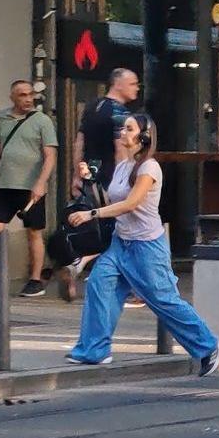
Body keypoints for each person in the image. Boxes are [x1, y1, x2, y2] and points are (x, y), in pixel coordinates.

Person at [65, 114, 219, 372]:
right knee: (99, 284)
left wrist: (90, 214)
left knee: (163, 300)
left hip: (146, 246)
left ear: (144, 137)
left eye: (129, 129)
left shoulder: (149, 168)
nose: (122, 133)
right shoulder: (123, 166)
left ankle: (208, 345)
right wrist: (90, 180)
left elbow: (131, 203)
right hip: (121, 242)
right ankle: (94, 350)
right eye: (122, 128)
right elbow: (112, 199)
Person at [0, 80, 58, 298]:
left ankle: (35, 279)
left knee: (33, 232)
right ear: (13, 97)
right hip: (4, 183)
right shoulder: (2, 117)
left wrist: (41, 182)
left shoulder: (42, 121)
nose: (28, 99)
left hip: (30, 186)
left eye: (30, 94)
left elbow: (50, 155)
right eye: (22, 95)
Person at [65, 67, 141, 302]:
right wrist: (126, 178)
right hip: (110, 175)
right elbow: (121, 148)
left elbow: (79, 141)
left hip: (90, 174)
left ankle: (87, 265)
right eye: (133, 83)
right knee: (122, 228)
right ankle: (86, 262)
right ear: (118, 84)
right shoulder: (120, 113)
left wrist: (77, 174)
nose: (137, 87)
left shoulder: (92, 107)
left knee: (103, 227)